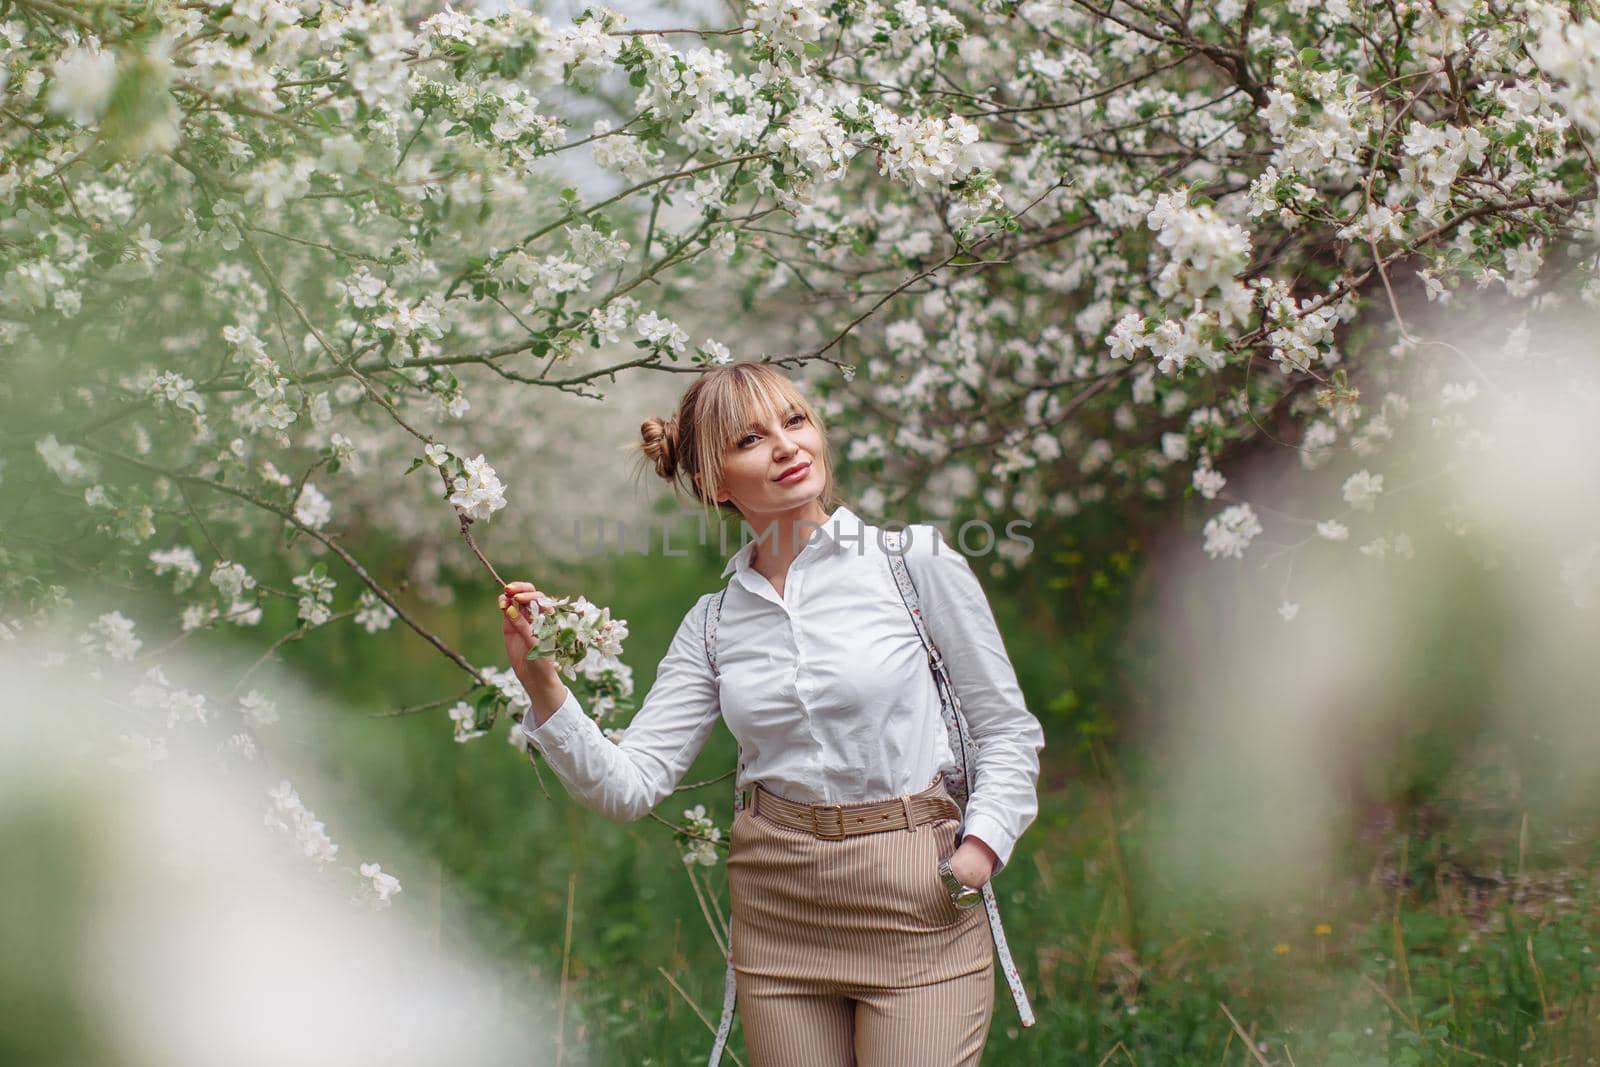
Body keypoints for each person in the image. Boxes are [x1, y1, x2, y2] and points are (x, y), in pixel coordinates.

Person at [498, 359, 1044, 1066]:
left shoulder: (912, 563)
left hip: (918, 894)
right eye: (751, 438)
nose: (787, 445)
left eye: (795, 420)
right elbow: (629, 785)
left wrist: (977, 852)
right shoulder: (714, 622)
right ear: (715, 481)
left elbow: (1004, 728)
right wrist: (541, 682)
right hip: (778, 906)